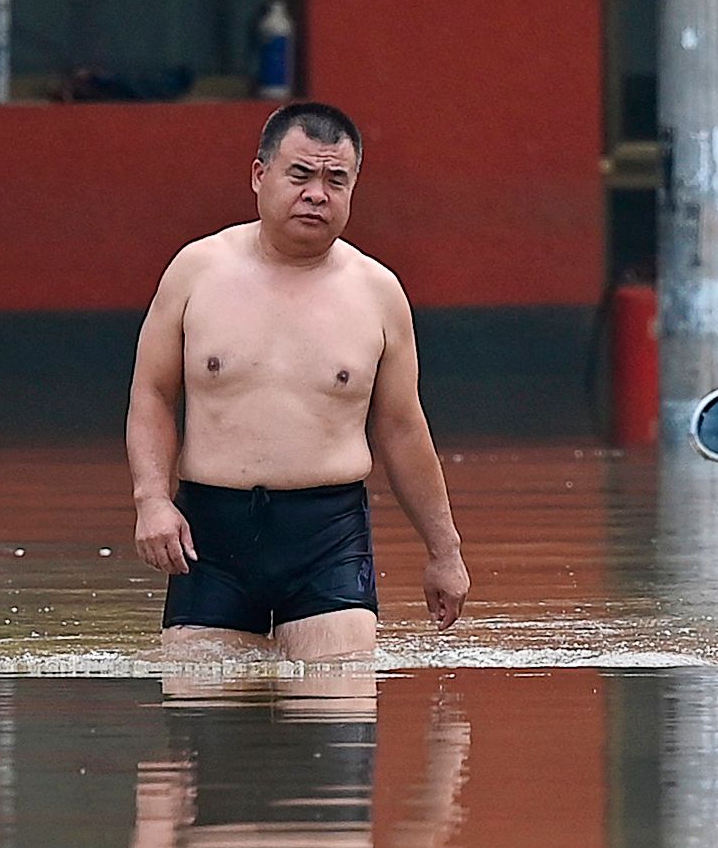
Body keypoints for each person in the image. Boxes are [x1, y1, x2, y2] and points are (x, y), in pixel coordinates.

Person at [128, 102, 471, 660]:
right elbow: (152, 394)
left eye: (336, 179)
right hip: (212, 534)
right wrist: (151, 500)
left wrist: (444, 551)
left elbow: (403, 429)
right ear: (259, 175)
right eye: (301, 175)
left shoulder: (378, 293)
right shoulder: (196, 271)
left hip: (326, 534)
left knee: (340, 709)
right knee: (200, 718)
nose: (317, 193)